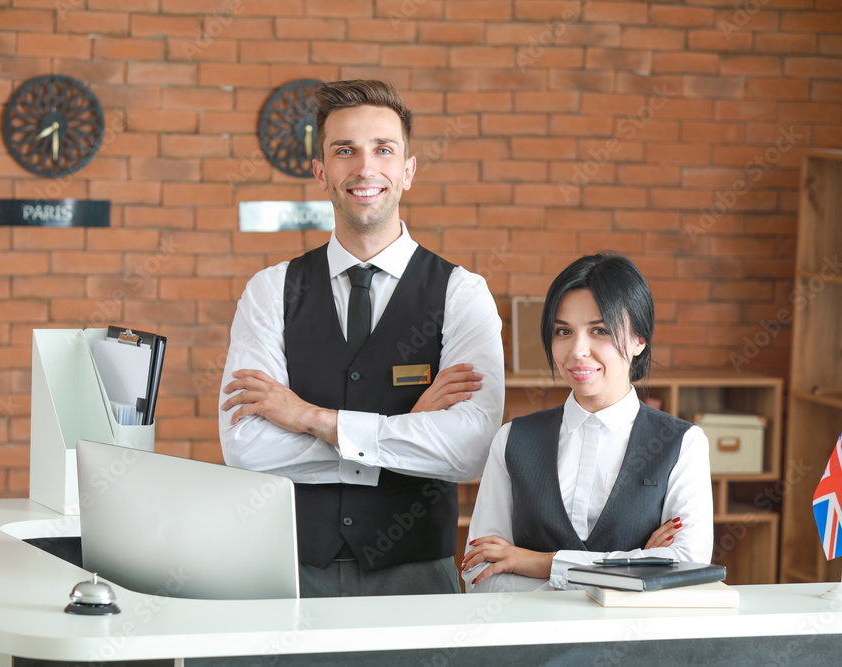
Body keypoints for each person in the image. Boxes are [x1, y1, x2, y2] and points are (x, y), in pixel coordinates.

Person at [219, 79, 504, 597]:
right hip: (288, 571)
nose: (365, 167)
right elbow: (246, 448)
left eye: (383, 149)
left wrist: (311, 418)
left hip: (417, 575)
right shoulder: (270, 291)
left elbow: (469, 451)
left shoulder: (462, 293)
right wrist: (403, 433)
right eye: (344, 150)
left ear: (408, 170)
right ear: (321, 171)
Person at [462, 252, 713, 593]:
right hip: (533, 643)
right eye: (563, 331)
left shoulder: (683, 443)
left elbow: (688, 569)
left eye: (600, 330)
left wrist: (537, 563)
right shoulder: (512, 439)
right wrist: (633, 566)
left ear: (639, 339)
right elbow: (480, 575)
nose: (577, 350)